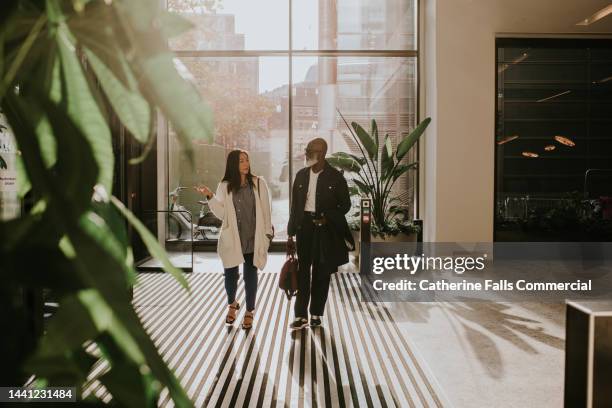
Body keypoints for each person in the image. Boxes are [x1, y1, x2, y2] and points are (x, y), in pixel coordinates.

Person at [197, 150, 274, 329]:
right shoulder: (224, 186)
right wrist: (210, 196)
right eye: (241, 161)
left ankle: (249, 311)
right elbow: (222, 213)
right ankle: (232, 304)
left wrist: (267, 234)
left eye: (247, 160)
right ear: (233, 164)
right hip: (232, 238)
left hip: (253, 237)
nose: (245, 164)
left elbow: (266, 211)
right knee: (230, 276)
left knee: (250, 275)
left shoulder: (258, 183)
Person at [287, 138, 355, 330]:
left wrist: (327, 217)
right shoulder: (301, 175)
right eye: (307, 149)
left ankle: (316, 313)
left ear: (322, 153)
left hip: (325, 228)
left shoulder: (335, 177)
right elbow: (295, 207)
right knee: (303, 272)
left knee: (321, 272)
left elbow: (345, 205)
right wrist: (290, 234)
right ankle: (300, 316)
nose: (307, 153)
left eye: (311, 150)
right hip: (304, 227)